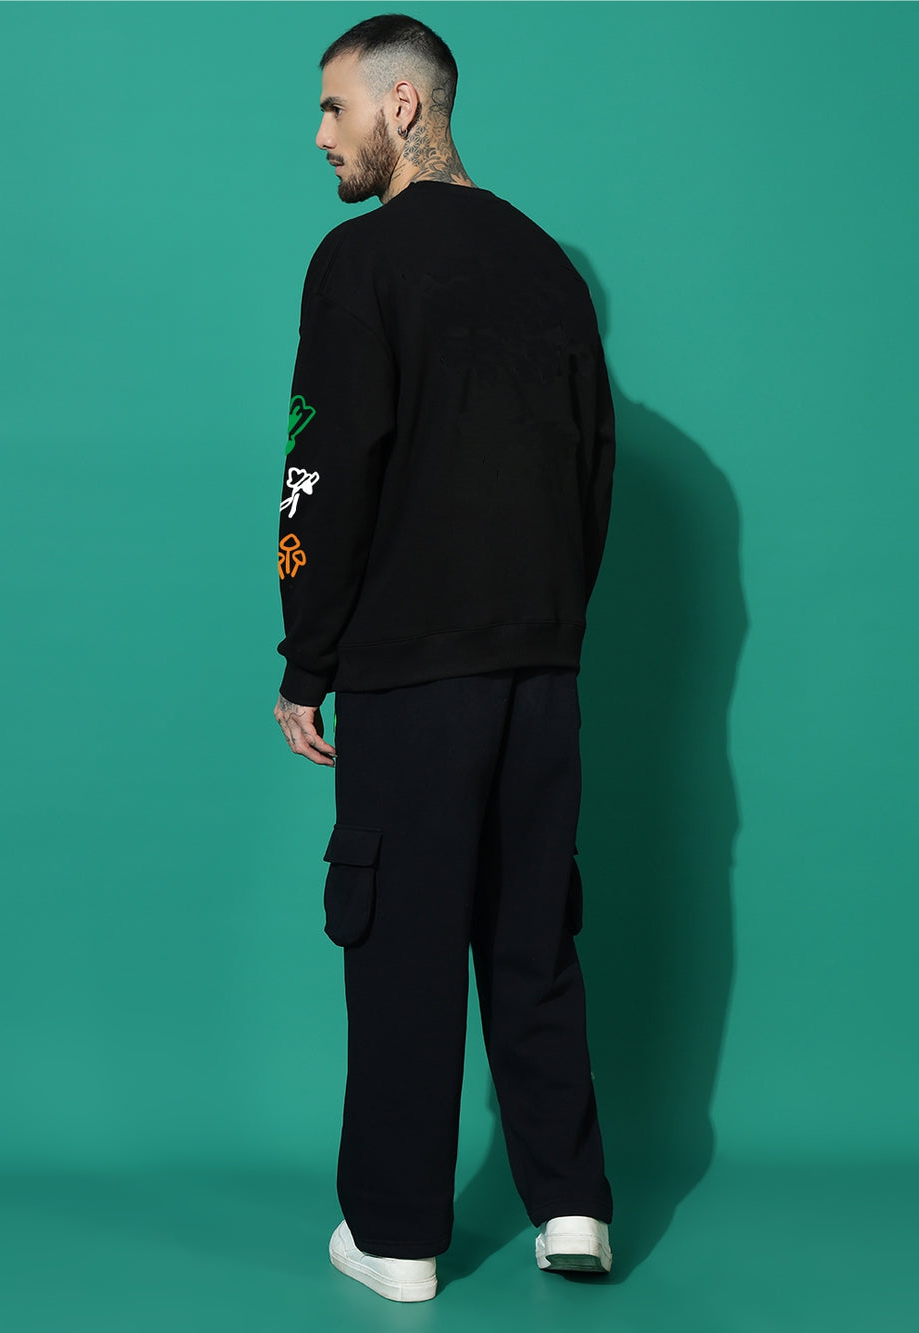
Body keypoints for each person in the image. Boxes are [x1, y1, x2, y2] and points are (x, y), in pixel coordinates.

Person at [272, 13, 616, 1303]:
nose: (322, 136)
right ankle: (572, 1208)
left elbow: (323, 469)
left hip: (414, 678)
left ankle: (399, 1236)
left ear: (403, 107)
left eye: (335, 108)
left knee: (403, 949)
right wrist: (553, 625)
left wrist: (306, 659)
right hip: (543, 671)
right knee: (532, 936)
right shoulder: (548, 269)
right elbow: (595, 471)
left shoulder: (357, 263)